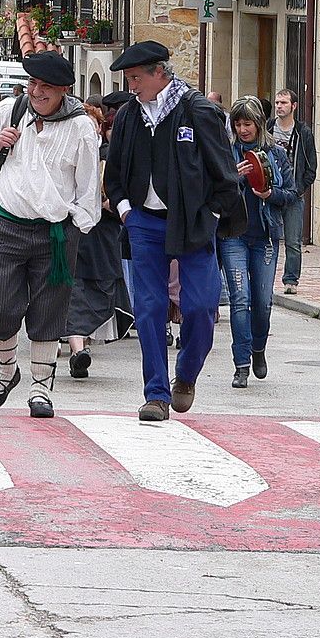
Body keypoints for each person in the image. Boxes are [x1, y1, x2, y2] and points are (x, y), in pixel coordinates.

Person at [104, 41, 239, 421]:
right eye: (128, 79)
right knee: (148, 308)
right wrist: (127, 211)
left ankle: (187, 375)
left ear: (159, 73)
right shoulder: (130, 116)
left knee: (200, 307)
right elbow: (113, 175)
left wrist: (212, 213)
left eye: (135, 78)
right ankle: (156, 394)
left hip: (194, 221)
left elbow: (224, 171)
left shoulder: (197, 110)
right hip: (144, 222)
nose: (131, 85)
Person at [0, 52, 101, 418]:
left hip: (55, 233)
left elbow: (89, 184)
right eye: (33, 84)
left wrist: (78, 225)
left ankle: (40, 388)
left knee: (49, 311)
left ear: (64, 90)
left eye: (46, 87)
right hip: (7, 224)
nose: (37, 92)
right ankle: (5, 372)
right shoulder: (14, 109)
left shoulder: (80, 126)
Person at [221, 96, 295, 389]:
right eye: (238, 124)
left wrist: (270, 195)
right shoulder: (227, 154)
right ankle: (240, 365)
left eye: (247, 123)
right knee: (240, 299)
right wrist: (232, 180)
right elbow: (214, 193)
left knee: (263, 302)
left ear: (258, 124)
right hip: (233, 236)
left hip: (264, 235)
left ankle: (258, 348)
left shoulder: (276, 154)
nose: (242, 129)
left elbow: (291, 194)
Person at [64, 103, 134, 379]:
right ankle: (76, 349)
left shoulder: (111, 157)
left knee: (101, 291)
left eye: (93, 126)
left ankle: (83, 344)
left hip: (103, 236)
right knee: (72, 289)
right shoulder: (64, 156)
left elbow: (124, 192)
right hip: (72, 233)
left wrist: (112, 202)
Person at [268, 88, 317, 295]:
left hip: (293, 194)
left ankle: (291, 281)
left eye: (284, 103)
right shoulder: (268, 128)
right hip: (269, 192)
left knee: (293, 241)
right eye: (277, 102)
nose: (279, 106)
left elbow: (311, 168)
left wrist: (298, 190)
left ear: (294, 106)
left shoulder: (302, 132)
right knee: (266, 239)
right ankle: (265, 278)